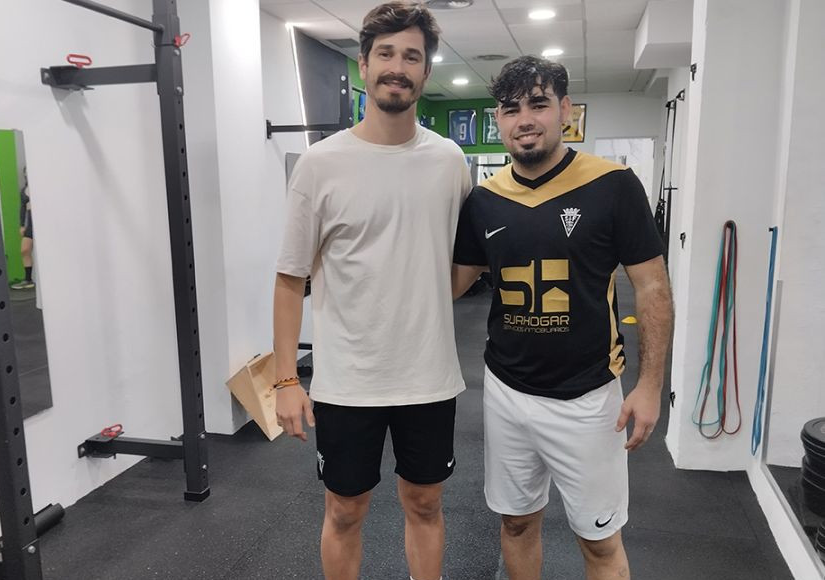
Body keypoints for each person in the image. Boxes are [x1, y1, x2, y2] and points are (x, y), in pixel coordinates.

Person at [452, 55, 674, 580]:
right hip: (506, 392)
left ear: (565, 110)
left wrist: (649, 387)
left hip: (588, 398)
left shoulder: (613, 184)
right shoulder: (483, 200)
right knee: (515, 524)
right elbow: (451, 284)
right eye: (511, 109)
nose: (525, 119)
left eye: (538, 104)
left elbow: (652, 287)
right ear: (498, 120)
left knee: (599, 543)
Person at [272, 3, 470, 580]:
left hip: (428, 376)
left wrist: (422, 294)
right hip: (347, 380)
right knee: (344, 509)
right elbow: (289, 278)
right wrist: (285, 380)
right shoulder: (320, 165)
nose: (397, 67)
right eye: (385, 54)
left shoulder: (449, 161)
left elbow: (460, 264)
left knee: (425, 504)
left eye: (411, 56)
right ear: (363, 65)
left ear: (425, 72)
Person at [11, 166, 35, 290]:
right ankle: (28, 279)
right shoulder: (24, 190)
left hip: (43, 223)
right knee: (25, 250)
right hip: (31, 223)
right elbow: (23, 208)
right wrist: (21, 225)